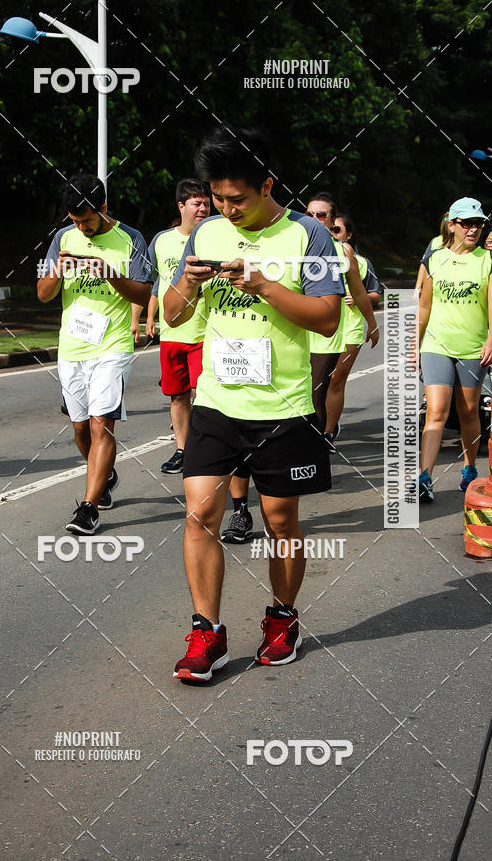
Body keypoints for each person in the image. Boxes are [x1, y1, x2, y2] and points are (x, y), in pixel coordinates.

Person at [163, 124, 345, 681]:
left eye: (236, 198)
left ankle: (282, 618)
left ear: (267, 185)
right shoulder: (207, 234)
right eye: (217, 198)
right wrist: (190, 285)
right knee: (199, 516)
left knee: (280, 519)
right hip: (217, 402)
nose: (225, 209)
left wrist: (265, 286)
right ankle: (206, 633)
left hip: (283, 406)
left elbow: (329, 316)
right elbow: (172, 315)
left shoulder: (309, 237)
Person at [37, 174, 153, 533]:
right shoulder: (63, 238)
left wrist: (111, 274)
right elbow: (43, 293)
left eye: (87, 219)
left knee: (102, 424)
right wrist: (58, 270)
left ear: (103, 208)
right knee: (80, 428)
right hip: (72, 347)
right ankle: (104, 475)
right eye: (75, 221)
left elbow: (143, 295)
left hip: (112, 346)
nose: (82, 227)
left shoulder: (131, 239)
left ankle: (88, 508)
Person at [418, 197, 492, 502]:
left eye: (478, 224)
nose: (473, 229)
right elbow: (423, 306)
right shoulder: (435, 259)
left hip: (473, 347)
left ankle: (469, 467)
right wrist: (414, 345)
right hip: (436, 344)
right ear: (452, 226)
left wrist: (491, 339)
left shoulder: (487, 261)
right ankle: (424, 477)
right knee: (436, 411)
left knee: (469, 411)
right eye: (466, 223)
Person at [142, 179, 211, 474]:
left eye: (206, 203)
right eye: (197, 203)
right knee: (178, 395)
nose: (203, 208)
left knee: (204, 395)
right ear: (181, 206)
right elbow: (154, 282)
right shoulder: (161, 240)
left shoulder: (215, 236)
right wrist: (145, 317)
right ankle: (182, 450)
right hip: (172, 332)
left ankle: (206, 450)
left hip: (206, 332)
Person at [306, 192, 379, 445]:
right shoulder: (294, 247)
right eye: (310, 214)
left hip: (341, 330)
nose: (315, 219)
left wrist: (373, 324)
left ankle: (324, 434)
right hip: (303, 329)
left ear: (331, 220)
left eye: (321, 215)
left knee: (327, 383)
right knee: (308, 386)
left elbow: (360, 291)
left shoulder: (344, 252)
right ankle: (309, 437)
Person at [323, 214, 381, 441]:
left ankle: (328, 432)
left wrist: (362, 303)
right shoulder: (304, 255)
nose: (333, 233)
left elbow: (375, 294)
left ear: (349, 234)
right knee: (316, 381)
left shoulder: (361, 262)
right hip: (317, 328)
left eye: (337, 230)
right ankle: (315, 427)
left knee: (336, 379)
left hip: (349, 328)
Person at [415, 213, 450, 295]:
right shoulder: (436, 241)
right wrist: (418, 286)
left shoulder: (462, 244)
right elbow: (424, 263)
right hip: (434, 285)